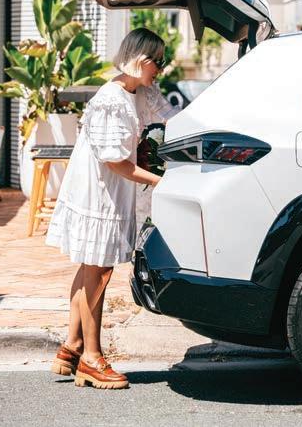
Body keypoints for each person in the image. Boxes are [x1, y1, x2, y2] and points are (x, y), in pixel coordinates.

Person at [45, 28, 178, 389]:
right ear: (141, 60)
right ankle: (92, 358)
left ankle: (71, 347)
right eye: (158, 61)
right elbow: (115, 161)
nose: (161, 69)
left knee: (91, 267)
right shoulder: (112, 99)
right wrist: (159, 181)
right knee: (98, 271)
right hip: (98, 192)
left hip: (109, 190)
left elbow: (173, 117)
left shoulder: (140, 92)